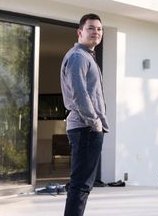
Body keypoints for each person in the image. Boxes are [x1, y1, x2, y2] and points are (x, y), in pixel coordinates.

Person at [61, 13, 109, 216]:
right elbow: (79, 94)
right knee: (80, 186)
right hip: (85, 128)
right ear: (80, 32)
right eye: (91, 28)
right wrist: (95, 122)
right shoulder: (78, 57)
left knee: (82, 186)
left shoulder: (86, 56)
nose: (96, 32)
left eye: (99, 29)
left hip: (87, 128)